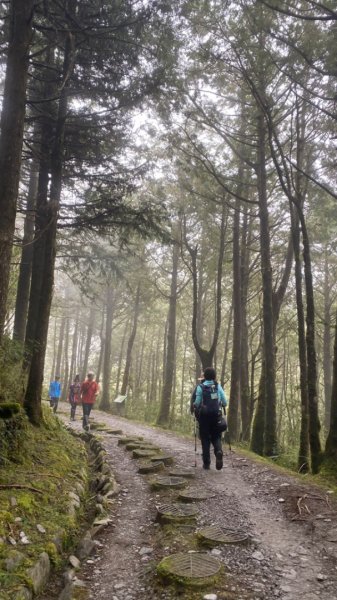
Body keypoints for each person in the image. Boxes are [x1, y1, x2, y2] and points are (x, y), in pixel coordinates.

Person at [192, 367, 227, 471]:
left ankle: (206, 463)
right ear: (214, 376)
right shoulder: (217, 386)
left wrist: (194, 405)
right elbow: (225, 402)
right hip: (216, 416)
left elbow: (197, 403)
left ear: (204, 376)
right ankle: (218, 451)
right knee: (216, 436)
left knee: (205, 438)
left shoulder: (200, 387)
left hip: (204, 418)